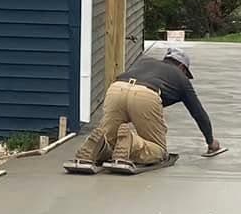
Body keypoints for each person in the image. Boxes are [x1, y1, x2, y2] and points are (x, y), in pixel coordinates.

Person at [69, 45, 225, 174]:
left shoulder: (145, 62)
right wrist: (211, 142)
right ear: (182, 66)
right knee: (158, 151)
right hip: (146, 94)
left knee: (110, 140)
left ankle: (98, 144)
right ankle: (132, 142)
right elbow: (198, 113)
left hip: (116, 89)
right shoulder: (180, 77)